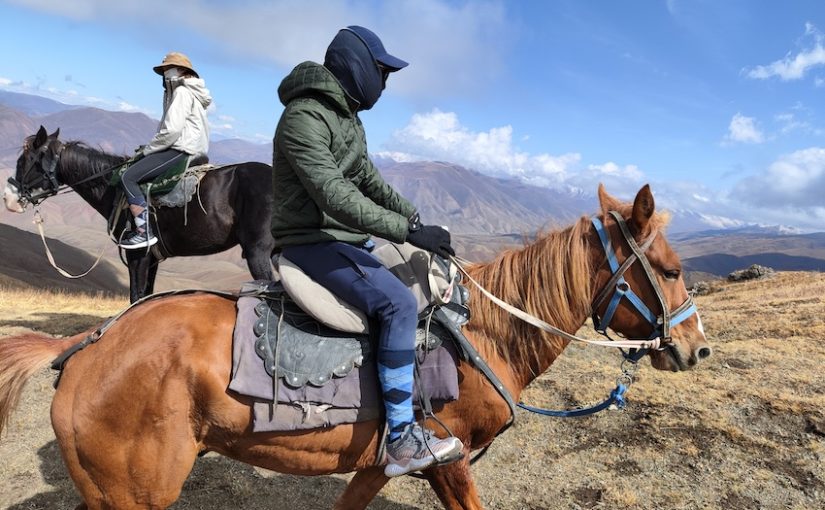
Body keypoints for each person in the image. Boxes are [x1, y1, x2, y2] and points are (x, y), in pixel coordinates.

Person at [271, 25, 464, 477]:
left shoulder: (347, 120)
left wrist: (415, 220)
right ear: (356, 67)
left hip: (342, 240)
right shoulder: (305, 117)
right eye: (382, 71)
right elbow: (334, 194)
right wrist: (405, 231)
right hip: (311, 242)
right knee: (397, 303)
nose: (386, 81)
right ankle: (399, 437)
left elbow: (369, 181)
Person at [118, 52, 212, 249]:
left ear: (182, 71)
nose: (164, 73)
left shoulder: (182, 93)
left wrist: (147, 150)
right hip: (193, 148)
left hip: (180, 149)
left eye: (167, 68)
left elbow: (172, 130)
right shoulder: (192, 93)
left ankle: (143, 232)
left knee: (128, 177)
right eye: (163, 70)